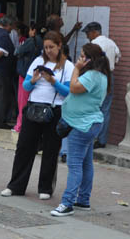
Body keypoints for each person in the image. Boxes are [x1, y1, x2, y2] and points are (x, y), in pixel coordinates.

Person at [1, 31, 74, 200]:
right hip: (34, 107)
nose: (48, 51)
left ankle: (46, 188)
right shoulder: (38, 61)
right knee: (24, 148)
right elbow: (26, 87)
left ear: (59, 46)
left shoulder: (67, 66)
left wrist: (53, 82)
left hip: (54, 110)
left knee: (50, 149)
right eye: (46, 47)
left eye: (51, 47)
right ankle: (16, 185)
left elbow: (68, 92)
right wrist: (33, 79)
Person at [50, 43, 110, 217]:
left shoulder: (92, 75)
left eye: (82, 56)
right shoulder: (101, 75)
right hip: (88, 123)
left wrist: (76, 68)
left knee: (74, 164)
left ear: (89, 59)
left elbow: (74, 87)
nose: (78, 59)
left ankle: (67, 203)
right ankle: (83, 200)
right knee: (85, 163)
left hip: (83, 125)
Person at [82, 21, 121, 149]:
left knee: (93, 107)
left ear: (95, 32)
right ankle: (102, 139)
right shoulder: (111, 43)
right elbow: (117, 58)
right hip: (110, 76)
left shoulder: (94, 44)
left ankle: (92, 138)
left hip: (96, 76)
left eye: (88, 33)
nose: (87, 36)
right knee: (105, 108)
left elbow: (87, 62)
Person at [13, 22, 42, 132]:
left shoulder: (31, 41)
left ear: (33, 30)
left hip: (26, 74)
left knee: (23, 101)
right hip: (39, 75)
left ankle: (20, 125)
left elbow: (17, 52)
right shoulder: (43, 41)